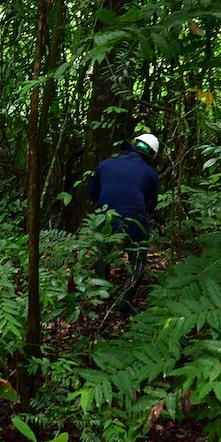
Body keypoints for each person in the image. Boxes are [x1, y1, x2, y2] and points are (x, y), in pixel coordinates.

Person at [88, 132, 160, 318]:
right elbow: (151, 206)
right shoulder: (150, 174)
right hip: (135, 219)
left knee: (102, 254)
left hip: (105, 216)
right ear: (151, 155)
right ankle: (121, 306)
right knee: (138, 262)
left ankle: (102, 300)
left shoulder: (105, 164)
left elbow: (93, 195)